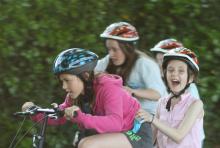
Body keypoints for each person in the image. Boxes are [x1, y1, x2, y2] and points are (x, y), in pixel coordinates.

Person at [21, 48, 153, 148]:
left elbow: (115, 123)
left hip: (136, 132)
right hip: (117, 134)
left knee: (87, 144)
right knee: (83, 142)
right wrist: (36, 112)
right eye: (62, 81)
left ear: (84, 75)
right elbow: (60, 117)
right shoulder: (75, 95)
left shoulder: (109, 88)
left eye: (67, 80)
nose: (64, 87)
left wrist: (82, 118)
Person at [137, 47, 204, 148]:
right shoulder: (162, 102)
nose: (174, 74)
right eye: (170, 70)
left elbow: (178, 136)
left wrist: (152, 119)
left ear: (190, 78)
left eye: (181, 71)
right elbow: (151, 139)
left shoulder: (196, 104)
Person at [95, 22, 167, 115]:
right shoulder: (109, 59)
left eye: (115, 49)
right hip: (124, 113)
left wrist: (132, 91)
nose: (111, 54)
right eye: (109, 49)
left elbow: (157, 94)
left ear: (127, 48)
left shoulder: (144, 64)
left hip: (149, 115)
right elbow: (92, 71)